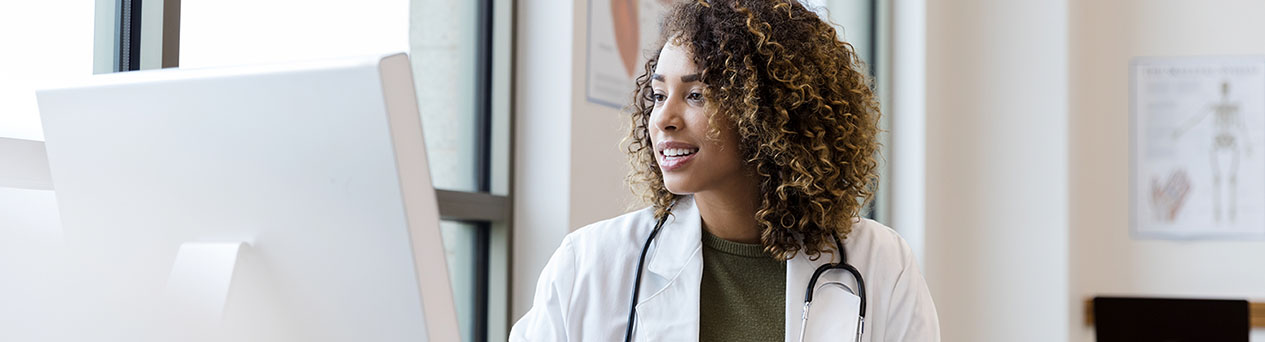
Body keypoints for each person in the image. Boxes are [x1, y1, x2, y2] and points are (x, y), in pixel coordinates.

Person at [509, 0, 939, 340]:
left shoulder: (881, 264)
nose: (663, 119)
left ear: (767, 113)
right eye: (659, 95)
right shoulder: (589, 264)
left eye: (696, 95)